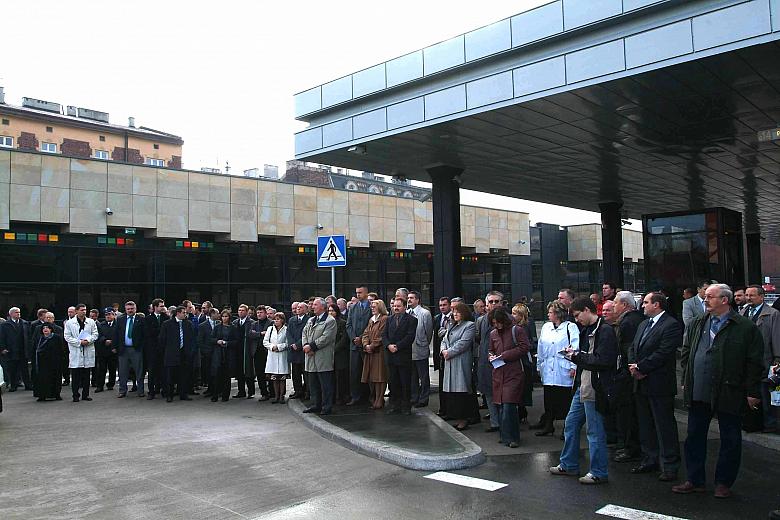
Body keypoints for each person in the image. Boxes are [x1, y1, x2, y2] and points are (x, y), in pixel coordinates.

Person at [674, 283, 763, 498]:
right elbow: (687, 352)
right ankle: (695, 479)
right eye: (705, 297)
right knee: (694, 436)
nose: (705, 300)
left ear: (724, 300)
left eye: (710, 297)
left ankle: (723, 483)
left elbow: (754, 361)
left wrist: (752, 391)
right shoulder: (697, 323)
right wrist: (687, 377)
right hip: (700, 389)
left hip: (729, 390)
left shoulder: (744, 326)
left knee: (730, 438)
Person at [550, 296, 617, 485]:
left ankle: (598, 472)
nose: (577, 319)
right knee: (571, 424)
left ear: (587, 310)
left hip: (594, 386)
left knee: (594, 431)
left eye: (578, 315)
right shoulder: (588, 329)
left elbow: (603, 360)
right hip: (584, 384)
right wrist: (576, 356)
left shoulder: (605, 330)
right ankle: (569, 464)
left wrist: (577, 356)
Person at [628, 292, 682, 482]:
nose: (642, 306)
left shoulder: (670, 325)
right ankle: (650, 459)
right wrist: (633, 366)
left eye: (646, 302)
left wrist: (642, 367)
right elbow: (633, 347)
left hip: (659, 384)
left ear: (657, 304)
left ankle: (669, 464)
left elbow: (664, 352)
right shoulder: (643, 324)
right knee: (646, 424)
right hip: (641, 383)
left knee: (664, 426)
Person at [533, 300, 579, 436]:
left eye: (550, 312)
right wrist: (539, 365)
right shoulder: (546, 327)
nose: (548, 314)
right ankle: (548, 425)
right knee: (549, 398)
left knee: (565, 399)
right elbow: (541, 347)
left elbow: (575, 346)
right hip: (548, 367)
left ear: (558, 314)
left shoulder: (570, 327)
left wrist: (573, 366)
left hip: (563, 368)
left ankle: (567, 428)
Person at [610, 291, 644, 464]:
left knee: (628, 413)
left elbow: (627, 349)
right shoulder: (634, 319)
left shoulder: (628, 322)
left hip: (627, 373)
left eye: (615, 302)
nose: (613, 305)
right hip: (628, 372)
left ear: (624, 305)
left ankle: (630, 447)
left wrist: (626, 368)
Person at [488, 308, 529, 447]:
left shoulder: (516, 330)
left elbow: (524, 347)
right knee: (501, 406)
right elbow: (490, 350)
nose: (496, 325)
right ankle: (506, 435)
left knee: (508, 405)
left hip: (513, 372)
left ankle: (512, 437)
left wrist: (504, 355)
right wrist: (491, 357)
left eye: (498, 322)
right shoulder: (493, 334)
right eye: (494, 323)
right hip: (499, 372)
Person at [743, 285, 780, 433]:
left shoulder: (772, 314)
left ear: (761, 296)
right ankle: (753, 422)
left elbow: (776, 336)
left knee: (766, 392)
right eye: (747, 295)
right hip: (747, 359)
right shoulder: (743, 312)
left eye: (752, 295)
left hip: (766, 358)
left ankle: (770, 423)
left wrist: (777, 357)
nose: (748, 298)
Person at [440, 302, 478, 431]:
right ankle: (457, 417)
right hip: (449, 361)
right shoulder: (451, 325)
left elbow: (463, 343)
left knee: (462, 391)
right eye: (454, 311)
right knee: (452, 393)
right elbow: (444, 340)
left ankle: (464, 419)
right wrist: (443, 350)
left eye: (458, 311)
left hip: (460, 362)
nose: (455, 314)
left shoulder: (469, 325)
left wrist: (449, 352)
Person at [477, 291, 507, 432]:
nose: (493, 304)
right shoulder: (481, 320)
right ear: (486, 304)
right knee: (489, 394)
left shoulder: (509, 319)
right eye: (491, 302)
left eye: (496, 301)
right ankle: (495, 423)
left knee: (504, 396)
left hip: (503, 362)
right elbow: (479, 340)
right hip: (485, 362)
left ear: (502, 303)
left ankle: (506, 424)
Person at [302, 297, 337, 415]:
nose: (313, 307)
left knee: (325, 384)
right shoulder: (311, 320)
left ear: (323, 307)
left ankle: (326, 407)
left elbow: (327, 338)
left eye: (315, 305)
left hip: (323, 357)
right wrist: (306, 345)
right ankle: (315, 404)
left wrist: (311, 346)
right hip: (310, 357)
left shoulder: (330, 321)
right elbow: (304, 333)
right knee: (313, 384)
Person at [383, 297, 417, 415]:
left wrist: (397, 346)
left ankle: (406, 406)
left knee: (405, 383)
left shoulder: (412, 320)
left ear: (405, 307)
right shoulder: (389, 319)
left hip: (403, 356)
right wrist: (388, 345)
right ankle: (394, 405)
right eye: (394, 306)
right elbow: (384, 335)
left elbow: (410, 336)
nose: (396, 308)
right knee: (393, 382)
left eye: (398, 306)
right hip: (391, 356)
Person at [159, 306, 196, 402]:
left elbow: (192, 338)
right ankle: (169, 395)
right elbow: (162, 339)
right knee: (170, 375)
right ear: (178, 313)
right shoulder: (167, 324)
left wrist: (190, 351)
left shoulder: (188, 324)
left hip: (184, 353)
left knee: (184, 375)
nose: (185, 314)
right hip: (171, 353)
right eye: (184, 313)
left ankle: (183, 394)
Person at [64, 303, 99, 403]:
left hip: (87, 349)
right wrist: (79, 342)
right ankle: (75, 395)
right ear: (76, 311)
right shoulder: (69, 323)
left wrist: (88, 341)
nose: (84, 312)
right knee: (75, 376)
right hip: (76, 351)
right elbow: (67, 337)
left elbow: (95, 334)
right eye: (82, 310)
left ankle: (85, 394)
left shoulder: (91, 322)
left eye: (85, 310)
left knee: (86, 376)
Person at [346, 286, 372, 406]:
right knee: (354, 372)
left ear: (366, 293)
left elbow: (371, 325)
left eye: (360, 292)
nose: (358, 295)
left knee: (368, 372)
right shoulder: (353, 307)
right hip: (354, 346)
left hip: (367, 344)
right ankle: (355, 396)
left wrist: (361, 338)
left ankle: (370, 396)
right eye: (357, 292)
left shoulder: (372, 307)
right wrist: (353, 338)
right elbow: (348, 325)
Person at [361, 299, 389, 410]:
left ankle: (380, 399)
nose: (372, 308)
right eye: (371, 306)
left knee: (380, 376)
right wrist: (365, 345)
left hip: (379, 352)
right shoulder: (371, 320)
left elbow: (382, 335)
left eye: (374, 306)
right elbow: (365, 334)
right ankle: (376, 398)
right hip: (370, 352)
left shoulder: (384, 319)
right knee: (373, 376)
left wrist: (372, 346)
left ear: (380, 307)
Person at [511, 303, 537, 421]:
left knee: (523, 385)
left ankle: (522, 410)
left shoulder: (525, 327)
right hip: (518, 358)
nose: (512, 316)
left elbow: (531, 343)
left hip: (524, 359)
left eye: (515, 313)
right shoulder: (514, 326)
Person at [408, 291, 433, 408]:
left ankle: (424, 398)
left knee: (423, 376)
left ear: (418, 300)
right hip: (409, 349)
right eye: (408, 298)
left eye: (412, 298)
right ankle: (414, 397)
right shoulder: (407, 312)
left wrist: (424, 343)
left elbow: (429, 332)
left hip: (420, 348)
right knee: (412, 376)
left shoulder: (425, 313)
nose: (409, 300)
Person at [116, 301, 146, 398]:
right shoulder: (120, 319)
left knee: (139, 371)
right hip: (123, 349)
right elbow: (116, 334)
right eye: (128, 309)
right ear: (125, 309)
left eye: (132, 309)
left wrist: (142, 347)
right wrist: (115, 347)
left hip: (136, 349)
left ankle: (140, 391)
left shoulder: (141, 319)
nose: (130, 310)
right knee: (122, 372)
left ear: (135, 309)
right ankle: (122, 391)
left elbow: (144, 335)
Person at [0, 307, 30, 392]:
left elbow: (29, 336)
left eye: (19, 312)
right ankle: (13, 385)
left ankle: (28, 385)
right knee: (12, 369)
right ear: (11, 314)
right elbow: (2, 337)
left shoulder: (24, 323)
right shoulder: (5, 325)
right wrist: (3, 348)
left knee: (25, 369)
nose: (18, 314)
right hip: (11, 350)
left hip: (23, 349)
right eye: (16, 312)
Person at [144, 299, 167, 399]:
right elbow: (148, 333)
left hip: (163, 349)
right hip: (152, 349)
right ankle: (151, 392)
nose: (163, 308)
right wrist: (160, 331)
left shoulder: (166, 318)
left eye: (163, 306)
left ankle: (164, 390)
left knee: (163, 370)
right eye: (161, 306)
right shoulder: (148, 319)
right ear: (155, 307)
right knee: (152, 371)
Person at [263, 312, 289, 404]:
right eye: (275, 319)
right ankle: (276, 396)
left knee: (282, 377)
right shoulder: (270, 329)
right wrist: (272, 347)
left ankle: (282, 396)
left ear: (282, 320)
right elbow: (265, 341)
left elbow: (288, 342)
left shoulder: (286, 329)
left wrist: (279, 347)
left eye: (278, 319)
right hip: (272, 355)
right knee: (274, 377)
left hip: (282, 355)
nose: (276, 321)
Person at [33, 323, 63, 401]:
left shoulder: (56, 337)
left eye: (47, 328)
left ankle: (56, 394)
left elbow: (60, 349)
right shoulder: (40, 338)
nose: (45, 329)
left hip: (54, 362)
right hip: (42, 363)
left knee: (55, 378)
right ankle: (42, 395)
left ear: (51, 329)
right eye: (44, 328)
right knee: (43, 379)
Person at [232, 304, 257, 399]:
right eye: (239, 310)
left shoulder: (252, 323)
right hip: (237, 349)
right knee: (239, 372)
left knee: (249, 371)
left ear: (247, 312)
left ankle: (251, 391)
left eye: (242, 310)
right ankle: (241, 391)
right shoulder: (235, 322)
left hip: (248, 349)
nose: (240, 312)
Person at [328, 303, 350, 405]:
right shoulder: (327, 323)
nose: (331, 313)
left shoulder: (342, 323)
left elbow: (344, 339)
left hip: (340, 354)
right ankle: (332, 397)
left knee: (340, 377)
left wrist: (334, 349)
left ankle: (340, 397)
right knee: (331, 377)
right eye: (329, 311)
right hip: (329, 354)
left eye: (332, 311)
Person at [433, 297, 452, 417]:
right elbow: (435, 339)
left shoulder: (453, 317)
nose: (442, 307)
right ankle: (443, 408)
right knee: (442, 384)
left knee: (449, 384)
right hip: (440, 356)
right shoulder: (437, 318)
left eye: (444, 305)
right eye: (440, 305)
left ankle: (450, 410)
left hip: (450, 354)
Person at [251, 306, 273, 401]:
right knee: (259, 373)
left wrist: (257, 333)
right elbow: (250, 334)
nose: (259, 314)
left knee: (270, 373)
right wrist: (260, 334)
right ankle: (264, 393)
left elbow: (271, 335)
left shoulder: (271, 323)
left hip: (268, 351)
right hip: (257, 351)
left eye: (261, 312)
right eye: (258, 313)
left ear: (265, 313)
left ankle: (272, 392)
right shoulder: (254, 324)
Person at [94, 309, 118, 393]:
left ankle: (111, 384)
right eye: (106, 315)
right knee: (101, 369)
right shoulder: (101, 325)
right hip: (103, 350)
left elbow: (119, 335)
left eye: (110, 314)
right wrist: (104, 340)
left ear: (114, 315)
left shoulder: (118, 324)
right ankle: (100, 386)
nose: (108, 316)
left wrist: (114, 343)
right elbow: (98, 335)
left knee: (112, 369)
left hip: (113, 350)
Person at [198, 309, 219, 398]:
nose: (219, 315)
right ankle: (210, 389)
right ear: (212, 314)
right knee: (209, 371)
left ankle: (217, 389)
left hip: (218, 351)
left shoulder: (219, 324)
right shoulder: (202, 325)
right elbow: (200, 340)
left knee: (217, 371)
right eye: (217, 313)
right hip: (207, 352)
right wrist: (204, 351)